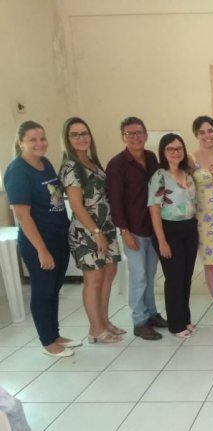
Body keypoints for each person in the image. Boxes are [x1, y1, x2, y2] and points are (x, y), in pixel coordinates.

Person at [3, 121, 78, 357]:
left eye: (42, 138)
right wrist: (41, 250)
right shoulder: (17, 171)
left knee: (54, 289)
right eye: (32, 140)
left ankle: (55, 333)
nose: (39, 144)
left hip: (58, 237)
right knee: (42, 291)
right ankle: (47, 342)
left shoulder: (44, 163)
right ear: (21, 142)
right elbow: (22, 215)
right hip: (39, 243)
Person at [59, 117, 123, 344]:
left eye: (84, 133)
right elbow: (76, 205)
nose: (81, 138)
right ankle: (95, 329)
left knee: (108, 275)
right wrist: (96, 232)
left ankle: (104, 321)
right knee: (93, 280)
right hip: (87, 232)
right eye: (75, 134)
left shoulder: (92, 162)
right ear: (67, 139)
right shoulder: (70, 166)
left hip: (106, 227)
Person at [106, 117, 168, 340]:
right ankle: (139, 321)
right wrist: (124, 231)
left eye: (139, 132)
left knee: (150, 275)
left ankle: (151, 313)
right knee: (139, 276)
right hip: (133, 230)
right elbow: (116, 201)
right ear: (123, 137)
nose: (135, 137)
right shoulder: (116, 165)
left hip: (153, 227)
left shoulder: (151, 158)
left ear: (146, 135)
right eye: (129, 134)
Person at [148, 134, 198, 338]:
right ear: (163, 152)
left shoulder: (188, 174)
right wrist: (162, 241)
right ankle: (176, 325)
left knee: (186, 277)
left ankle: (184, 319)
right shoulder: (159, 176)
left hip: (189, 228)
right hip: (169, 231)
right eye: (171, 149)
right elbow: (154, 209)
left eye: (179, 148)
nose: (176, 152)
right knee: (174, 278)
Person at [190, 116, 213, 324]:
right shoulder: (190, 159)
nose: (207, 135)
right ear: (196, 135)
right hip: (204, 220)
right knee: (210, 264)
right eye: (202, 132)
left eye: (210, 130)